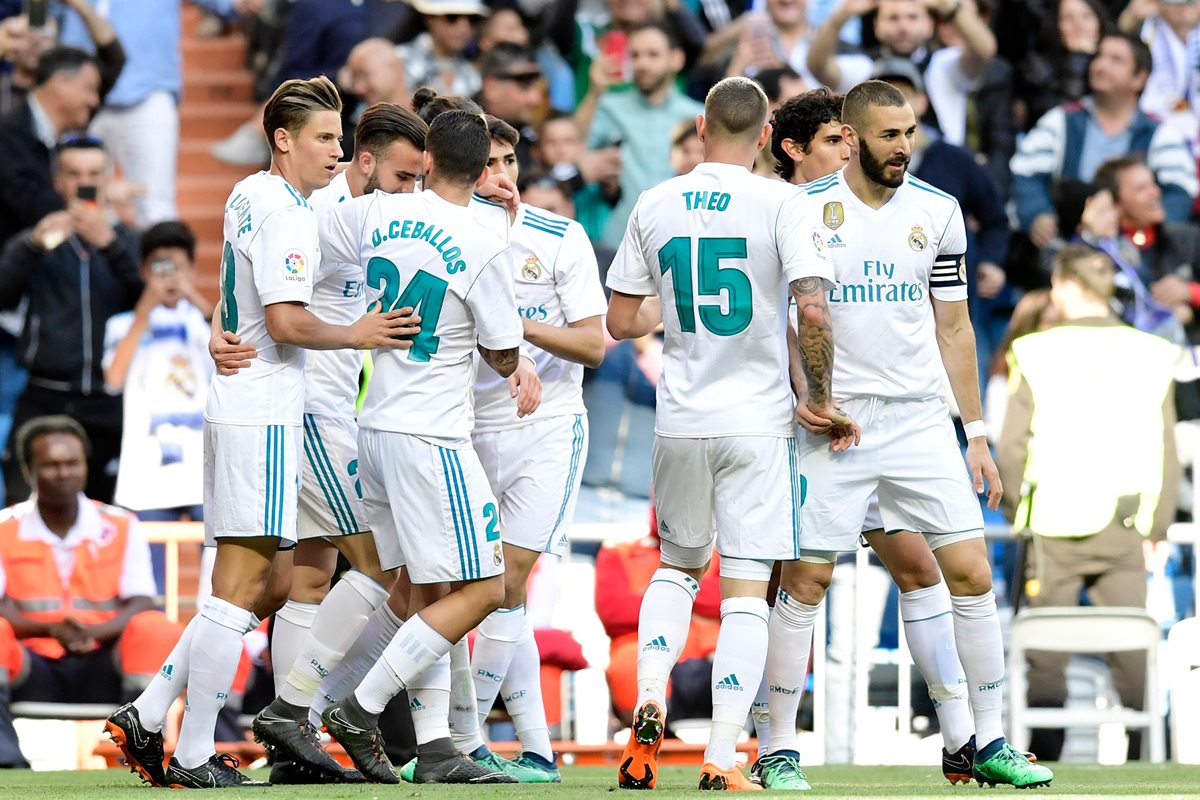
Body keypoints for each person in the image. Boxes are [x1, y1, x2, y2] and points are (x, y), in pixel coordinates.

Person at [103, 75, 416, 789]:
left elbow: (237, 301)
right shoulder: (292, 216)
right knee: (239, 589)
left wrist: (225, 330)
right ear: (283, 140)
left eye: (341, 139)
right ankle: (192, 753)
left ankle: (151, 718)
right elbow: (284, 322)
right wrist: (358, 331)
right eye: (326, 139)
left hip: (246, 403)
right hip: (273, 410)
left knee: (263, 584)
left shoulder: (250, 192)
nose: (337, 153)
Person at [772, 80, 1054, 789]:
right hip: (837, 425)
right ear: (854, 134)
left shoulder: (939, 210)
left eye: (911, 133)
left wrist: (977, 433)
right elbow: (793, 313)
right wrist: (809, 396)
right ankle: (777, 745)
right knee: (806, 578)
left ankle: (986, 740)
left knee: (972, 575)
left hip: (922, 421)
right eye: (890, 135)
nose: (905, 147)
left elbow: (953, 325)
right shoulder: (802, 210)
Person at [605, 76, 852, 791]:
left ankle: (648, 698)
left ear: (703, 125)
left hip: (679, 419)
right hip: (756, 421)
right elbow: (812, 309)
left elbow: (622, 323)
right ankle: (720, 756)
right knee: (745, 592)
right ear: (768, 133)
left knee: (677, 569)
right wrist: (824, 397)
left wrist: (676, 310)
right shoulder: (782, 201)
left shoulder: (655, 201)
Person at [316, 110, 525, 786]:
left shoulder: (376, 212)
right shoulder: (485, 236)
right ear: (484, 169)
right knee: (488, 587)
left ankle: (433, 746)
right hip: (431, 434)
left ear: (428, 159)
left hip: (370, 425)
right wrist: (510, 360)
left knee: (429, 590)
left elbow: (318, 240)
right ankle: (360, 706)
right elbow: (501, 351)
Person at [249, 102, 429, 785]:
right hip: (314, 411)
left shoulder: (365, 217)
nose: (411, 190)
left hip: (329, 412)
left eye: (420, 178)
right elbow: (263, 279)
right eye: (405, 176)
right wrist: (219, 323)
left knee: (308, 582)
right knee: (381, 564)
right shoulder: (321, 211)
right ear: (367, 162)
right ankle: (297, 713)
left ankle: (289, 747)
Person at [427, 113, 605, 784]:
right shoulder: (443, 239)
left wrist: (509, 319)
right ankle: (535, 749)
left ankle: (465, 741)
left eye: (508, 163)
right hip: (464, 427)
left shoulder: (560, 237)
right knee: (481, 592)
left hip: (547, 428)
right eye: (487, 165)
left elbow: (593, 344)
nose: (499, 177)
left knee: (506, 584)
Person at [997, 244, 1179, 762]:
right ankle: (1148, 755)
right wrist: (1158, 528)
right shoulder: (1152, 351)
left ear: (1069, 287)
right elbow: (1167, 449)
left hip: (1051, 521)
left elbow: (1012, 446)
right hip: (1127, 522)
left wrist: (1017, 511)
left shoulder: (1034, 350)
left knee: (1045, 650)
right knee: (1131, 649)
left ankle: (1044, 757)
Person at [0, 416, 181, 768]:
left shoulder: (120, 523)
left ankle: (141, 753)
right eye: (51, 465)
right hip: (30, 665)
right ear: (28, 470)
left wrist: (93, 632)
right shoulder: (3, 527)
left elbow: (142, 600)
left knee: (155, 627)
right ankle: (4, 761)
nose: (63, 472)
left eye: (72, 463)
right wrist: (50, 630)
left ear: (85, 465)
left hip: (105, 662)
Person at [0, 135, 141, 507]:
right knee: (19, 507)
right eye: (74, 173)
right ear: (57, 181)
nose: (84, 182)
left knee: (109, 515)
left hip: (109, 399)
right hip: (45, 393)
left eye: (94, 172)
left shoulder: (128, 241)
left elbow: (149, 300)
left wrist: (110, 244)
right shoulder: (36, 239)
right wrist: (33, 245)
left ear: (108, 177)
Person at [1011, 32, 1198, 247]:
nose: (1100, 65)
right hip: (1065, 245)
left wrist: (1148, 237)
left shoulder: (1161, 133)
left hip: (1135, 253)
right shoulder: (1060, 120)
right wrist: (1037, 214)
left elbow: (1180, 193)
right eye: (1098, 56)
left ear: (1140, 77)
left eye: (1115, 60)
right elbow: (1026, 174)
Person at [103, 221, 213, 526]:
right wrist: (143, 313)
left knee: (215, 570)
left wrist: (195, 298)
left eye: (176, 267)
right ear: (144, 271)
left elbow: (235, 364)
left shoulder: (205, 321)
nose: (168, 276)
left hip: (204, 467)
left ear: (192, 269)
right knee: (148, 570)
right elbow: (113, 379)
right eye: (159, 267)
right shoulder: (123, 325)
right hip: (147, 470)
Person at [579, 22, 704, 249]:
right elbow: (572, 151)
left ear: (677, 59)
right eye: (635, 55)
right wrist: (594, 92)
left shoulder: (699, 116)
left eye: (653, 55)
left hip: (682, 242)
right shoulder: (609, 106)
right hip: (619, 240)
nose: (642, 63)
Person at [807, 0, 997, 146]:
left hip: (942, 168)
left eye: (912, 17)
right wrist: (842, 15)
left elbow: (984, 50)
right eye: (893, 18)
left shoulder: (945, 65)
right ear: (876, 26)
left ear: (929, 25)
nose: (903, 26)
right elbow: (817, 65)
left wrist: (949, 8)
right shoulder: (862, 67)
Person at [396, 0, 488, 97]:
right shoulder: (399, 60)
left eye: (472, 19)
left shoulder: (472, 75)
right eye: (452, 17)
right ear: (429, 18)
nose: (463, 28)